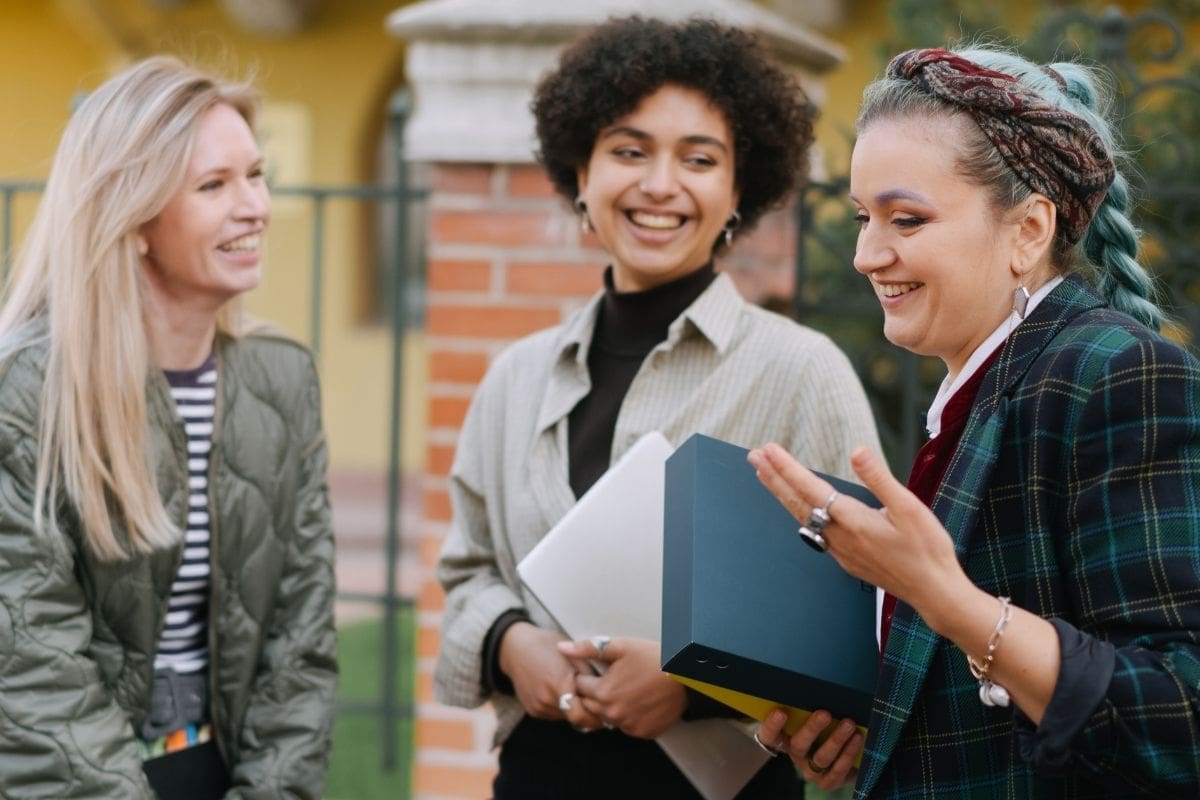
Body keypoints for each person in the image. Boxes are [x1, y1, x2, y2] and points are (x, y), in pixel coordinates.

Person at [432, 15, 881, 800]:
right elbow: (468, 569)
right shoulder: (515, 378)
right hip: (539, 778)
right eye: (629, 151)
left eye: (698, 159)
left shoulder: (801, 372)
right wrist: (509, 643)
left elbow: (854, 612)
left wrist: (690, 685)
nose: (660, 185)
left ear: (739, 189)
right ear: (582, 172)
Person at [749, 46, 1200, 798]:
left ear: (1028, 231)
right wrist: (874, 732)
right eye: (863, 218)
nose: (866, 254)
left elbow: (1180, 714)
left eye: (906, 219)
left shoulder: (1115, 375)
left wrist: (945, 598)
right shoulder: (978, 391)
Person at [0, 57, 337, 799]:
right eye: (214, 185)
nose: (254, 206)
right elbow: (30, 665)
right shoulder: (24, 394)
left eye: (256, 175)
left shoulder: (282, 381)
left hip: (219, 770)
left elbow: (300, 642)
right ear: (135, 219)